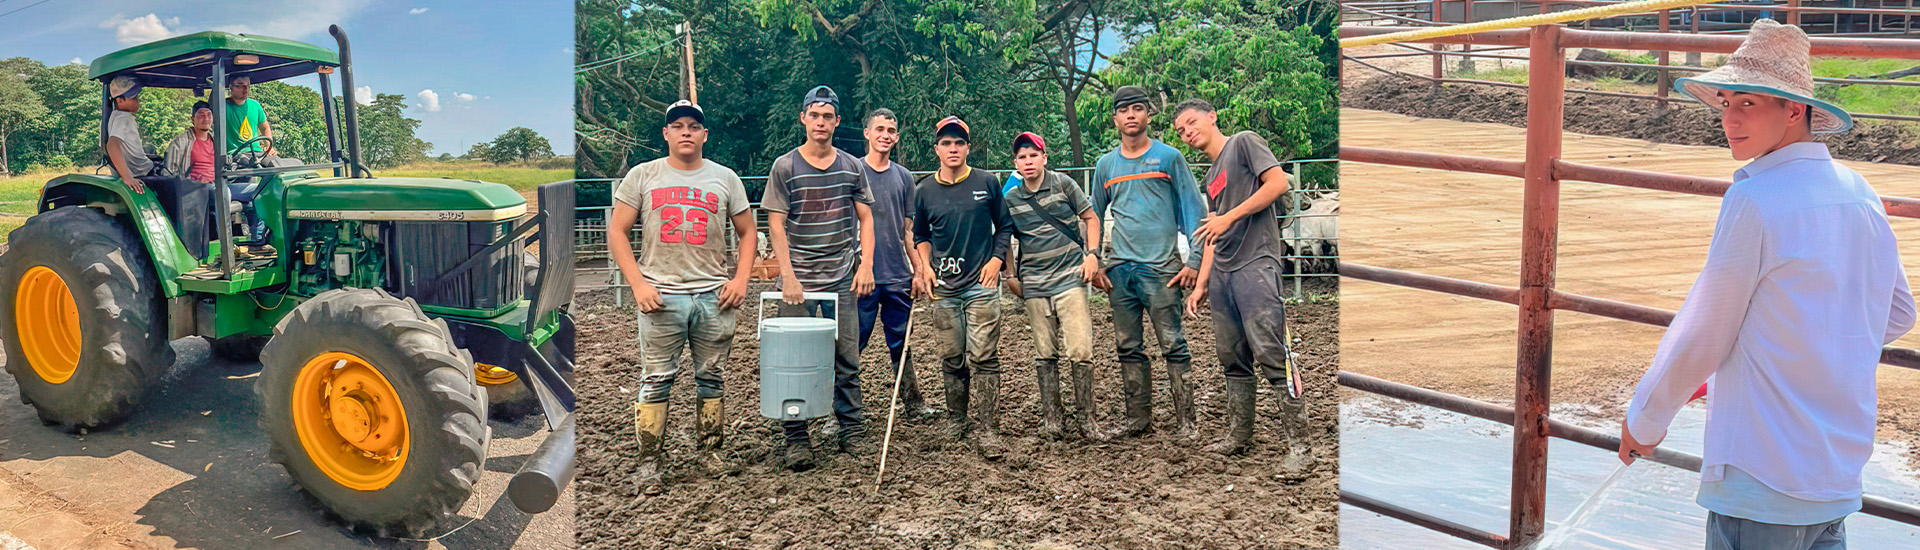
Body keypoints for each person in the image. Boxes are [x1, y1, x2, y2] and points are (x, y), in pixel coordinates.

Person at [1615, 20, 1913, 550]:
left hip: (1761, 472)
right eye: (1726, 101)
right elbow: (1895, 314)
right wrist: (1799, 353)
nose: (1729, 119)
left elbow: (1704, 333)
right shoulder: (1858, 191)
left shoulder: (1756, 200)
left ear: (1793, 109)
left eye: (1748, 103)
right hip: (1834, 475)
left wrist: (1647, 419)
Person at [607, 100, 757, 495]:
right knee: (656, 380)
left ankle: (709, 451)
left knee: (712, 376)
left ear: (705, 134)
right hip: (661, 296)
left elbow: (748, 232)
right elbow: (617, 231)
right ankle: (649, 461)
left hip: (713, 296)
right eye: (678, 126)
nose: (686, 132)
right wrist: (638, 284)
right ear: (666, 134)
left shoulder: (725, 178)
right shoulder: (643, 176)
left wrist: (741, 279)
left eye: (694, 126)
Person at [1171, 98, 1312, 475]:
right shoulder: (1211, 175)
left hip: (1255, 261)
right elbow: (1213, 234)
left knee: (1271, 350)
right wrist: (1201, 284)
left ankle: (1301, 446)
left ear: (1212, 116)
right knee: (1231, 356)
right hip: (1223, 273)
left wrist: (1228, 217)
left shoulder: (1244, 142)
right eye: (1180, 131)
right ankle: (1239, 435)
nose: (1187, 133)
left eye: (1191, 123)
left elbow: (1278, 182)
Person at [763, 85, 878, 471]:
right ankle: (796, 438)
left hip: (842, 275)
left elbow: (866, 217)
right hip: (799, 280)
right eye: (814, 115)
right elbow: (776, 225)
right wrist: (788, 276)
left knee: (847, 355)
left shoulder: (851, 166)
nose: (821, 122)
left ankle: (852, 430)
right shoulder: (786, 167)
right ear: (803, 118)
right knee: (792, 357)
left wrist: (865, 266)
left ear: (837, 121)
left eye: (828, 116)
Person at [1089, 85, 1208, 441]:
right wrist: (1094, 259)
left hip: (1161, 270)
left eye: (1137, 108)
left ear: (1148, 115)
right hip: (1120, 271)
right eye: (1123, 110)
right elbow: (1094, 212)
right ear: (1115, 119)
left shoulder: (1169, 158)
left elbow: (1193, 210)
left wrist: (1196, 261)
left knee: (1172, 343)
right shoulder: (1105, 165)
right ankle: (1137, 419)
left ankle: (1187, 422)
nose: (1130, 115)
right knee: (1127, 346)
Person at [912, 116, 1014, 458]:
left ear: (968, 147)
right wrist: (924, 266)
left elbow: (1005, 226)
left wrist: (997, 260)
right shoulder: (924, 190)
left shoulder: (987, 182)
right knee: (951, 355)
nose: (952, 149)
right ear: (937, 148)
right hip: (944, 285)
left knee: (984, 355)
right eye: (946, 143)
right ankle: (957, 419)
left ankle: (988, 428)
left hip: (980, 282)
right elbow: (921, 236)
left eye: (959, 143)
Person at [1000, 132, 1102, 440]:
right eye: (1022, 157)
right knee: (1045, 353)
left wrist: (1093, 255)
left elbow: (1091, 218)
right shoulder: (1011, 198)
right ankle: (1052, 418)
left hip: (1070, 276)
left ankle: (1087, 420)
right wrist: (1011, 275)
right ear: (1015, 163)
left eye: (1033, 155)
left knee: (1081, 349)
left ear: (1045, 157)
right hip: (1034, 283)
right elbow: (1004, 237)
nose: (1028, 161)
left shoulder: (1064, 184)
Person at [857, 108, 936, 420]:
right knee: (851, 345)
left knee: (901, 341)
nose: (885, 135)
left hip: (896, 275)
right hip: (860, 275)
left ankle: (913, 402)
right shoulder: (852, 171)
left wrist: (918, 269)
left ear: (897, 137)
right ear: (867, 133)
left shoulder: (904, 177)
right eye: (879, 129)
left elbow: (907, 231)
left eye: (891, 130)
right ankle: (841, 412)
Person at [164, 101, 217, 184]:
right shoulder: (181, 142)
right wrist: (193, 182)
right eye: (201, 115)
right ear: (193, 119)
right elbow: (169, 173)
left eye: (209, 115)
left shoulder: (217, 141)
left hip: (218, 186)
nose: (206, 119)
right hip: (192, 190)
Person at [224, 75, 275, 160]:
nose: (245, 89)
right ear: (230, 87)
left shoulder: (255, 105)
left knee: (276, 164)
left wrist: (268, 147)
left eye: (247, 86)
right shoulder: (223, 106)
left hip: (256, 152)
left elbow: (265, 128)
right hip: (235, 154)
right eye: (240, 85)